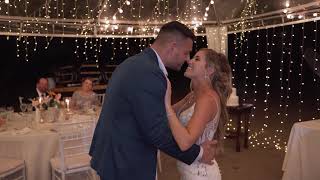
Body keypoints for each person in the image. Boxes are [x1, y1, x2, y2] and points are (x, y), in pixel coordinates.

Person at [89, 21, 217, 180]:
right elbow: (157, 132)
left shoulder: (136, 63)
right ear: (172, 47)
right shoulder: (149, 73)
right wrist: (199, 153)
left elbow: (150, 114)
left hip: (115, 156)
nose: (187, 59)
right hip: (125, 163)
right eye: (186, 53)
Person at [165, 48, 232, 180]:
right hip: (189, 170)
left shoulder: (207, 99)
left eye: (197, 59)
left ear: (210, 70)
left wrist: (167, 105)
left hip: (200, 174)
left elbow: (185, 142)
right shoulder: (193, 95)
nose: (189, 61)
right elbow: (167, 117)